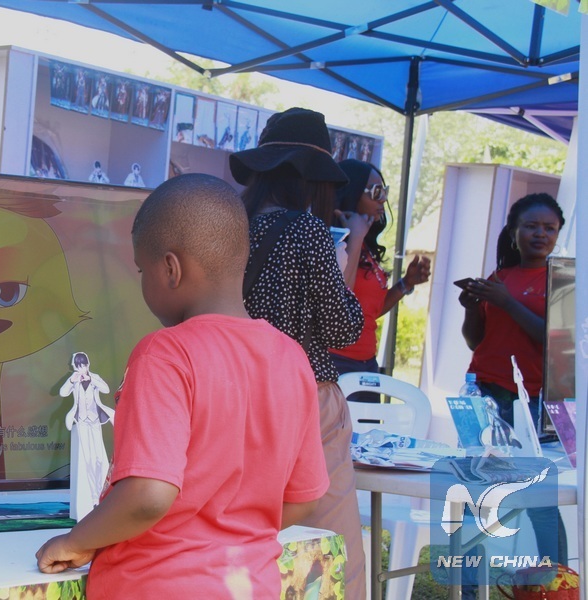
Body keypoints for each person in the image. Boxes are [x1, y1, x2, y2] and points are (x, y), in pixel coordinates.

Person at [35, 173, 328, 597]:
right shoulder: (292, 358)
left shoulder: (165, 353)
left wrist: (75, 541)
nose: (141, 282)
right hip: (250, 585)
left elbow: (148, 495)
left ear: (171, 269)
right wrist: (226, 532)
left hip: (154, 585)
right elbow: (304, 497)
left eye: (142, 269)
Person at [229, 107, 367, 600]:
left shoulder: (229, 226)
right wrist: (342, 264)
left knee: (246, 541)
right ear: (313, 177)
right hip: (305, 400)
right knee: (332, 550)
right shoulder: (307, 231)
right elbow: (342, 328)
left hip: (235, 401)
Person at [458, 192, 568, 571]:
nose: (540, 234)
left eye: (549, 228)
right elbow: (476, 341)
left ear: (558, 234)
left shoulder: (562, 280)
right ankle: (469, 587)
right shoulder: (500, 276)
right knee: (473, 492)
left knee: (539, 498)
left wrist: (507, 302)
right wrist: (473, 308)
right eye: (531, 226)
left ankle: (558, 584)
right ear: (513, 231)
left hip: (530, 401)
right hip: (482, 392)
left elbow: (556, 342)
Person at [330, 159, 432, 401]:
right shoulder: (335, 240)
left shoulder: (366, 246)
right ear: (352, 192)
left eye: (384, 191)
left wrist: (405, 284)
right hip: (336, 362)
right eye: (376, 192)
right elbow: (338, 300)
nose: (383, 200)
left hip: (366, 363)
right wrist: (354, 238)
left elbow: (367, 312)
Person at [59, 351, 115, 519]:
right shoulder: (74, 379)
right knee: (87, 460)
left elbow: (106, 389)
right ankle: (92, 499)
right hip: (81, 422)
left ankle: (103, 496)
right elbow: (63, 392)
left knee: (99, 459)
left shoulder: (94, 377)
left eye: (83, 365)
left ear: (87, 365)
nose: (81, 368)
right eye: (78, 366)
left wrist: (91, 378)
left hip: (95, 420)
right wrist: (72, 380)